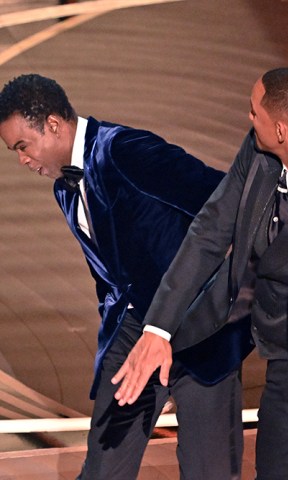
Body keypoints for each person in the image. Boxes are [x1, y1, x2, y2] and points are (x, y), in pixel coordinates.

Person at [113, 67, 288, 479]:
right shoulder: (257, 154)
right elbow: (208, 232)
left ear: (280, 129)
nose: (248, 118)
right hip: (286, 369)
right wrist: (158, 329)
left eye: (253, 111)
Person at [0, 74, 245, 479]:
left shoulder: (125, 151)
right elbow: (110, 272)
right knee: (103, 468)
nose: (22, 160)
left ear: (54, 125)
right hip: (133, 331)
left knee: (210, 471)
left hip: (201, 325)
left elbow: (220, 199)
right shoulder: (64, 188)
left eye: (23, 147)